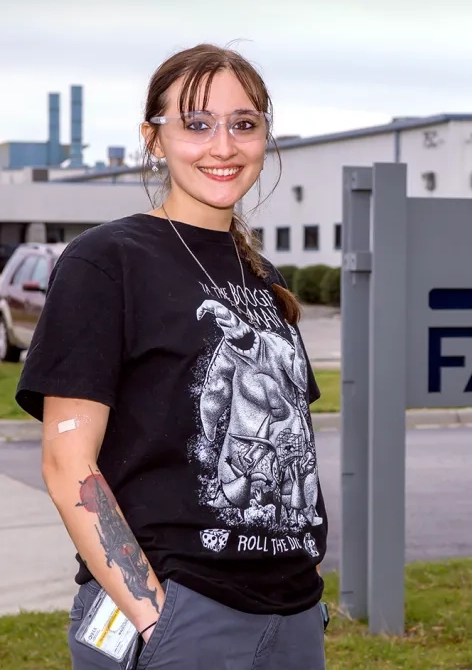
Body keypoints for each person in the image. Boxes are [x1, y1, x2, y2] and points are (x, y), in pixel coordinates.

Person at [15, 43, 329, 669]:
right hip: (183, 611)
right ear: (153, 140)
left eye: (244, 124)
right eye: (196, 123)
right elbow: (65, 462)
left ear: (265, 136)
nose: (223, 145)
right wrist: (152, 615)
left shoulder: (259, 274)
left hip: (291, 610)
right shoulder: (108, 260)